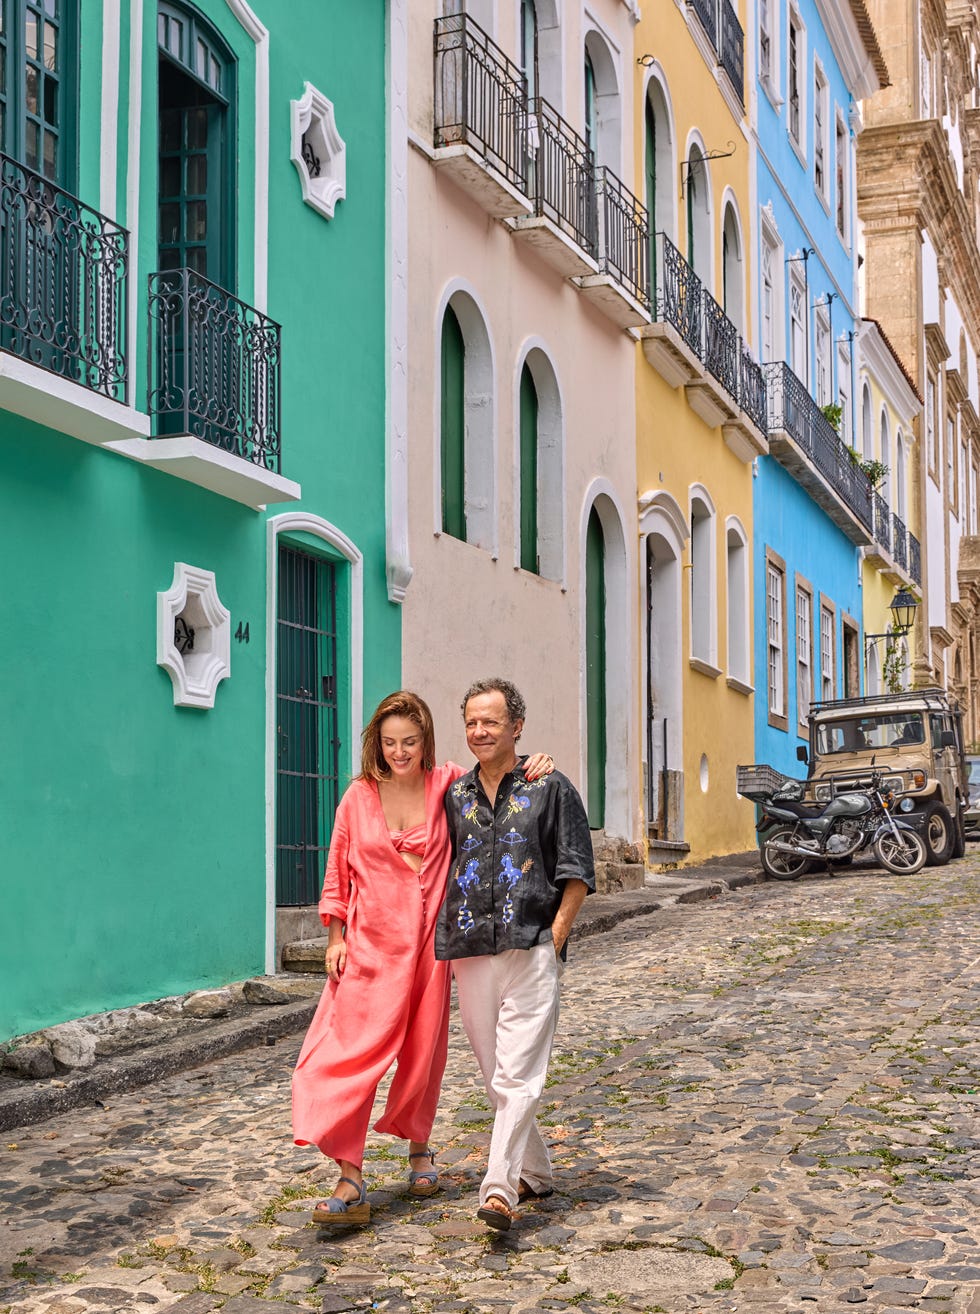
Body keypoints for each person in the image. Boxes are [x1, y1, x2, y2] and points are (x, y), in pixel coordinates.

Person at [291, 690, 553, 1226]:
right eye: (389, 743)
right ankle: (351, 1174)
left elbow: (496, 772)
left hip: (434, 947)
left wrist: (533, 764)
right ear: (376, 744)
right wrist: (335, 937)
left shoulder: (447, 784)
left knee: (423, 1053)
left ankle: (418, 1148)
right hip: (370, 946)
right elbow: (337, 872)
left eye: (409, 742)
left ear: (426, 741)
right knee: (348, 1055)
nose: (399, 752)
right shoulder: (358, 796)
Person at [435, 677, 595, 1232]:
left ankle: (499, 1190)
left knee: (518, 1072)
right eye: (472, 723)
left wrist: (556, 935)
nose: (480, 731)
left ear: (517, 727)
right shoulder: (454, 795)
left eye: (492, 722)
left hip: (531, 945)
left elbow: (577, 869)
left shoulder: (550, 787)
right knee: (495, 1071)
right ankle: (539, 1173)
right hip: (470, 948)